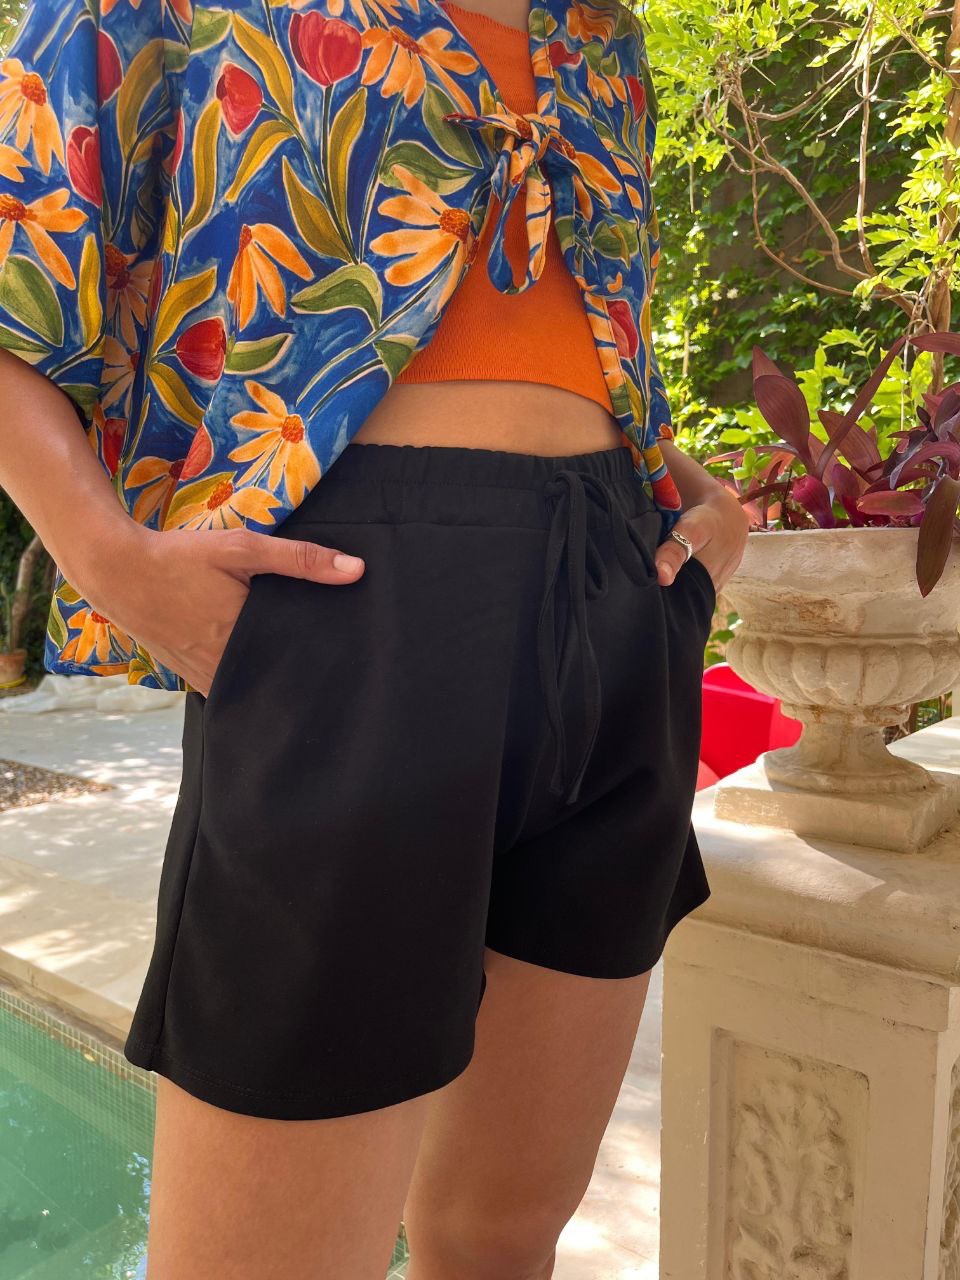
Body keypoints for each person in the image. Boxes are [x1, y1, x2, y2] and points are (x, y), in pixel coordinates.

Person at [0, 0, 748, 1274]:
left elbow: (576, 343)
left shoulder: (600, 40)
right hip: (354, 608)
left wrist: (701, 494)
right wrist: (109, 558)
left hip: (621, 601)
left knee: (502, 1238)